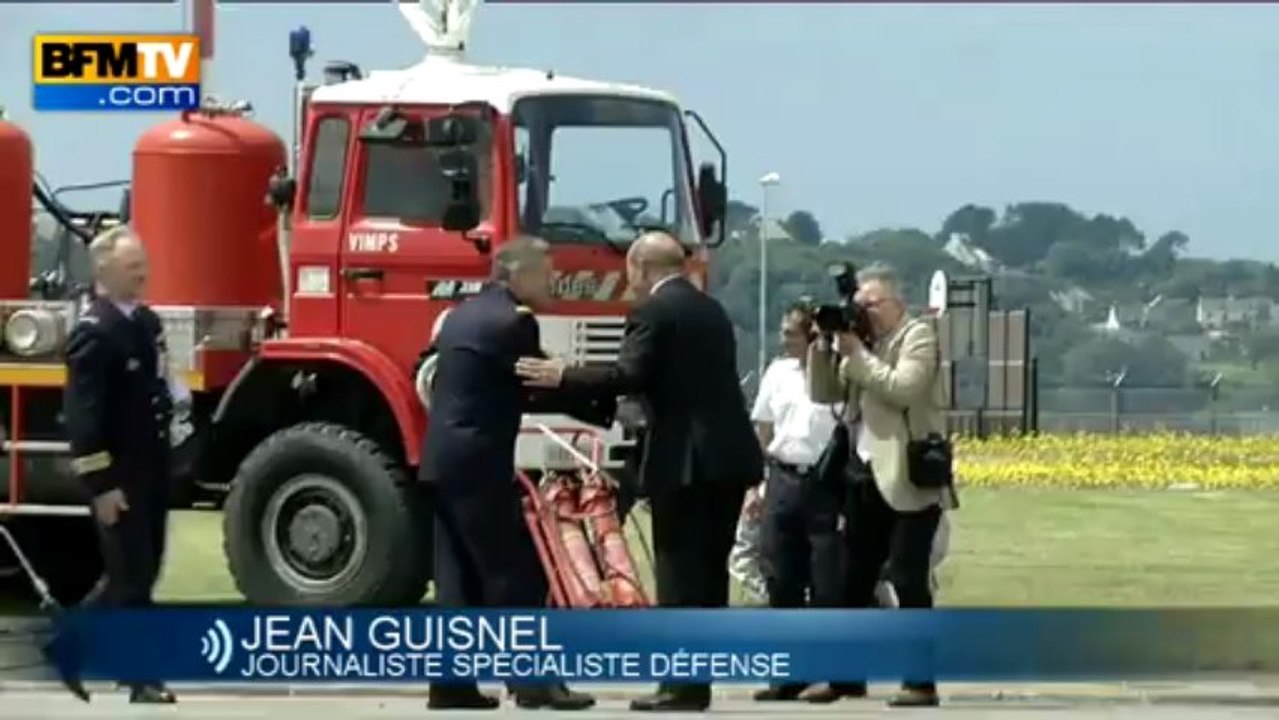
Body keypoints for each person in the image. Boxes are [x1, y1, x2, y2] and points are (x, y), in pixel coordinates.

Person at [516, 231, 763, 713]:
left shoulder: (652, 310)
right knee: (710, 577)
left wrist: (564, 375)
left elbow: (629, 374)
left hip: (685, 461)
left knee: (677, 574)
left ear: (640, 268)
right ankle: (697, 684)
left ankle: (677, 688)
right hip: (730, 458)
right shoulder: (710, 310)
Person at [418, 235, 611, 712]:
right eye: (545, 271)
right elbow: (541, 384)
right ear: (516, 274)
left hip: (442, 459)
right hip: (480, 461)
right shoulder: (513, 323)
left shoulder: (462, 315)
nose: (553, 280)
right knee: (517, 571)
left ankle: (451, 685)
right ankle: (534, 683)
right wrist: (606, 402)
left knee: (456, 577)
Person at [805, 263, 955, 709]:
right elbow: (824, 393)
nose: (865, 313)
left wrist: (858, 353)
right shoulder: (859, 347)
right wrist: (824, 347)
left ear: (897, 305)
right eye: (859, 306)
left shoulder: (918, 336)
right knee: (852, 582)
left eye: (872, 305)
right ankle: (846, 677)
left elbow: (903, 388)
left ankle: (920, 681)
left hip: (908, 477)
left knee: (909, 581)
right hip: (863, 473)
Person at [63, 225, 186, 704]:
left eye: (144, 264)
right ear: (102, 271)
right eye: (131, 266)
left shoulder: (146, 324)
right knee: (132, 581)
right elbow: (83, 419)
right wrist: (101, 484)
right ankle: (141, 679)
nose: (142, 273)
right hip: (118, 476)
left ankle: (72, 645)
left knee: (137, 573)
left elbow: (158, 390)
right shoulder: (94, 335)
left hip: (151, 469)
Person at [749, 303, 846, 703]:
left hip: (826, 483)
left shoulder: (839, 371)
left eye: (791, 333)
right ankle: (786, 673)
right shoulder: (777, 372)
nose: (783, 339)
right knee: (781, 578)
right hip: (784, 480)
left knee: (826, 582)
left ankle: (827, 673)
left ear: (813, 337)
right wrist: (758, 483)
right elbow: (764, 423)